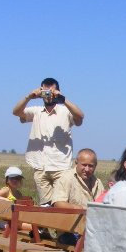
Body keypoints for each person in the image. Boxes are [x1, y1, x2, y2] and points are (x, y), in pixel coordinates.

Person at [12, 77, 85, 207]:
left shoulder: (65, 111)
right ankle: (44, 227)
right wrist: (29, 96)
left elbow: (80, 116)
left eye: (52, 91)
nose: (49, 95)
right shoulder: (36, 111)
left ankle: (60, 227)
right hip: (40, 166)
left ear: (58, 91)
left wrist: (63, 99)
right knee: (45, 205)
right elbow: (16, 112)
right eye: (45, 91)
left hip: (61, 166)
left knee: (60, 204)